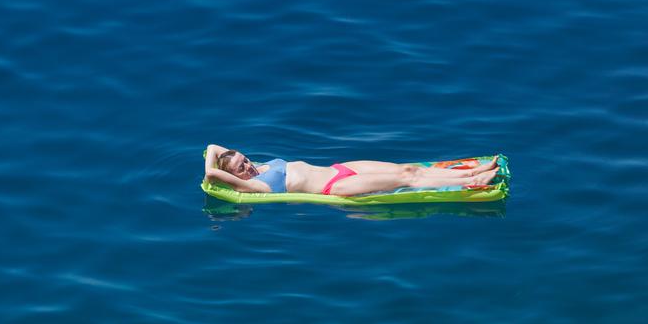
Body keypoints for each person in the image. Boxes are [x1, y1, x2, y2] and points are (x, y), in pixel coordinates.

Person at [203, 144, 499, 197]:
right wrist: (215, 170)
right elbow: (212, 174)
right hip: (334, 188)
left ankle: (471, 172)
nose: (248, 164)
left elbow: (213, 146)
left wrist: (224, 157)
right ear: (236, 176)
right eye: (242, 166)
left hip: (338, 169)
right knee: (408, 179)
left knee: (406, 167)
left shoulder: (257, 167)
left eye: (245, 158)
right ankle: (473, 180)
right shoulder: (254, 187)